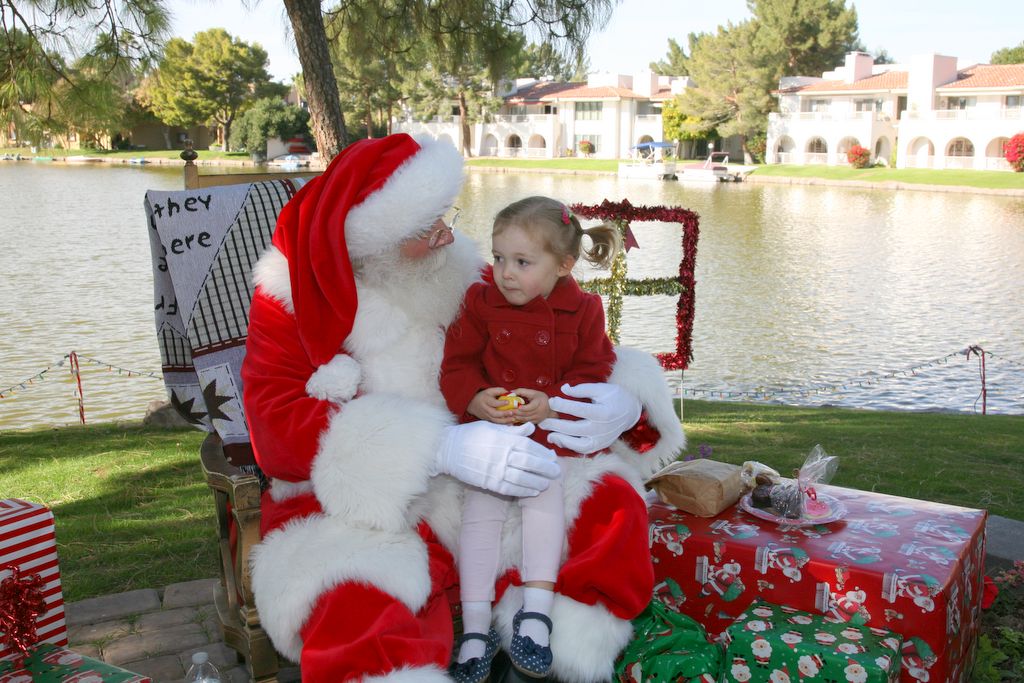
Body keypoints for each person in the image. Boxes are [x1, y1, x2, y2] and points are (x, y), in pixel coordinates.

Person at [241, 133, 685, 683]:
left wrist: (623, 397)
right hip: (371, 500)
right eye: (424, 229)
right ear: (368, 241)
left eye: (443, 216)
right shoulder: (287, 299)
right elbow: (275, 429)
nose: (446, 235)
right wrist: (439, 447)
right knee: (353, 598)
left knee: (608, 501)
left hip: (502, 456)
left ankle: (553, 649)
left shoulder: (466, 270)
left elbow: (565, 343)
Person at [439, 196, 625, 681]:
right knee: (481, 511)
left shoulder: (584, 310)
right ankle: (476, 626)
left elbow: (595, 367)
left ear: (563, 265)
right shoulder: (480, 302)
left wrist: (554, 400)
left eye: (522, 262)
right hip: (491, 432)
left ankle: (536, 613)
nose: (505, 272)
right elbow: (457, 363)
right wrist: (475, 397)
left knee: (546, 497)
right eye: (499, 258)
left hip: (549, 433)